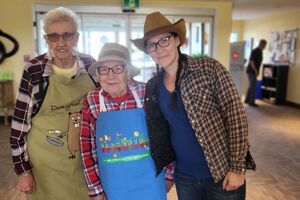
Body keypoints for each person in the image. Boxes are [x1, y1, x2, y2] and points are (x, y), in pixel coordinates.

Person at [132, 12, 256, 200]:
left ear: (177, 40)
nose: (158, 49)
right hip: (185, 176)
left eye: (164, 40)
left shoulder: (208, 68)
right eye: (151, 45)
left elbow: (236, 117)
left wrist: (237, 168)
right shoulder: (154, 86)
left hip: (221, 173)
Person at [10, 7, 96, 200]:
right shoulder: (34, 70)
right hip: (45, 164)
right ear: (46, 39)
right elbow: (19, 126)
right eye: (53, 36)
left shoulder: (90, 65)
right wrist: (23, 170)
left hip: (84, 162)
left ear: (76, 37)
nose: (61, 42)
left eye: (67, 35)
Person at [80, 43, 171, 200]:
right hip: (113, 186)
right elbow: (87, 148)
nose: (110, 75)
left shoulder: (148, 93)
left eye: (117, 68)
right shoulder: (92, 100)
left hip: (151, 182)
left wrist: (169, 175)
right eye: (104, 69)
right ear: (98, 74)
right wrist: (94, 188)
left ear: (128, 72)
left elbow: (166, 136)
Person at [245, 39, 267, 107]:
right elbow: (252, 62)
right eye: (265, 45)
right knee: (253, 86)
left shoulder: (260, 51)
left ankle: (247, 100)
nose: (265, 47)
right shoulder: (255, 51)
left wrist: (258, 70)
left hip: (253, 71)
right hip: (251, 71)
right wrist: (256, 71)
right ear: (262, 44)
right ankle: (251, 102)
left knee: (252, 85)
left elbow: (258, 63)